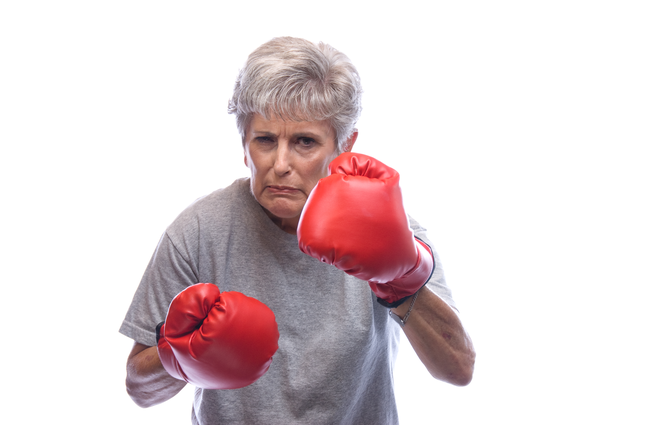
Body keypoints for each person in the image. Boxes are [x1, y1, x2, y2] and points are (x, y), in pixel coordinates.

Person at [120, 36, 475, 424]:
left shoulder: (389, 232)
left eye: (305, 142)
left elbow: (458, 369)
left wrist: (401, 282)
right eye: (265, 141)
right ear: (244, 144)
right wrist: (181, 355)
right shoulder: (199, 231)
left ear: (344, 147)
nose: (281, 164)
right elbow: (138, 388)